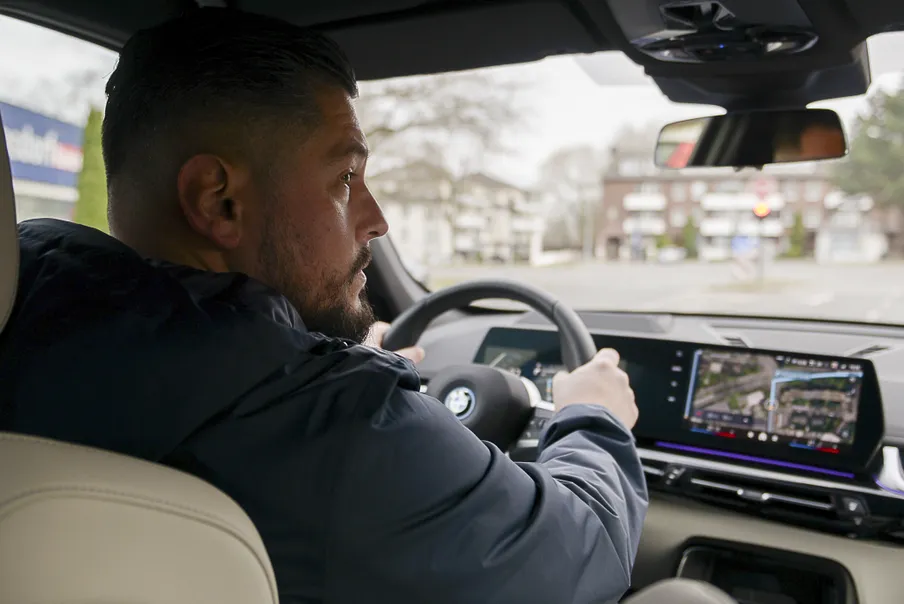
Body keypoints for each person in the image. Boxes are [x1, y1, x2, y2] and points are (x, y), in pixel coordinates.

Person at [0, 8, 647, 603]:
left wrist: (314, 358)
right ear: (218, 199)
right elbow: (581, 556)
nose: (377, 219)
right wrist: (592, 417)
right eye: (345, 178)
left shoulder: (29, 308)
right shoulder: (345, 431)